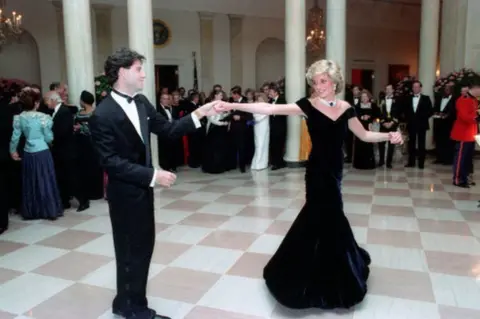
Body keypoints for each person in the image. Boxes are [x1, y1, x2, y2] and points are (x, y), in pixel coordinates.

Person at [214, 59, 402, 310]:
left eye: (323, 81)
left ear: (335, 82)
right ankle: (308, 272)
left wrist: (389, 135)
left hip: (335, 171)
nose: (318, 85)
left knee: (331, 215)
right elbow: (270, 109)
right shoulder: (308, 105)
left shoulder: (346, 107)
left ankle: (336, 267)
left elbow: (365, 135)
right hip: (316, 171)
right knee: (321, 215)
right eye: (315, 82)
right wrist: (230, 104)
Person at [89, 47, 217, 319]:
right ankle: (133, 308)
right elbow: (109, 162)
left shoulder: (142, 102)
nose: (144, 74)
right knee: (130, 250)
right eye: (138, 69)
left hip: (142, 192)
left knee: (142, 248)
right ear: (122, 72)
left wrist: (199, 113)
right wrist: (152, 175)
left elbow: (169, 130)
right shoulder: (103, 114)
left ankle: (127, 301)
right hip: (125, 193)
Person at [9, 90, 63, 220]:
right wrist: (50, 141)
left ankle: (32, 210)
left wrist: (13, 151)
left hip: (28, 152)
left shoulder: (19, 118)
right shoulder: (44, 118)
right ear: (36, 103)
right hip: (42, 151)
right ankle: (49, 210)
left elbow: (15, 137)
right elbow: (48, 137)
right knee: (45, 180)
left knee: (31, 181)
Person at [450, 79, 480, 188]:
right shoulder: (463, 100)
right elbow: (465, 117)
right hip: (463, 133)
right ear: (475, 89)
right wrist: (477, 117)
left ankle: (465, 177)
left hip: (472, 133)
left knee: (468, 159)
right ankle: (458, 179)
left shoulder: (475, 100)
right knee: (460, 158)